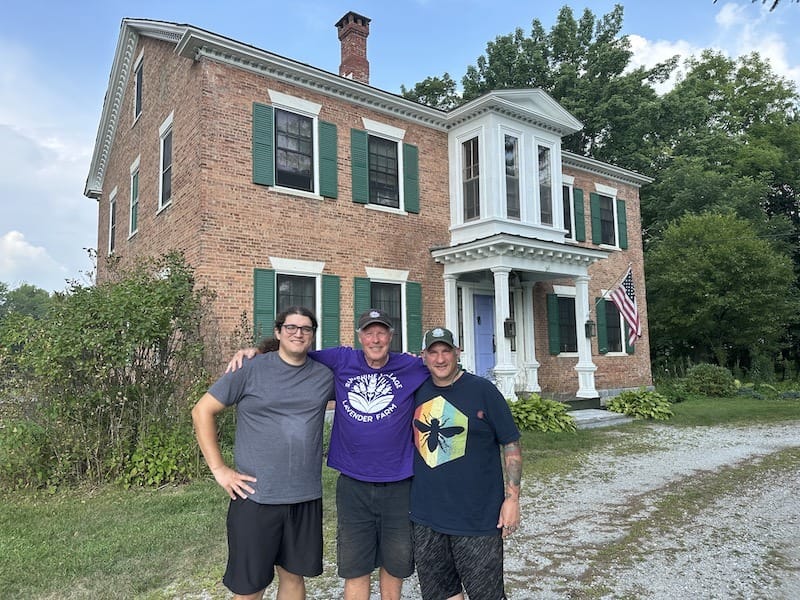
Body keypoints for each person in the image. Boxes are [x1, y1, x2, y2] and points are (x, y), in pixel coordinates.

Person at [229, 309, 430, 600]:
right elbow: (295, 352)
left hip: (400, 481)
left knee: (395, 563)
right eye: (369, 332)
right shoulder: (341, 359)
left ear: (391, 336)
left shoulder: (411, 366)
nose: (375, 339)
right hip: (352, 483)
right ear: (359, 336)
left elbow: (442, 368)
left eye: (382, 332)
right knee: (355, 565)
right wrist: (258, 351)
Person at [192, 306, 335, 600]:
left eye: (306, 329)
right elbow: (202, 411)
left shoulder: (324, 376)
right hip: (255, 497)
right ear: (278, 332)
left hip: (304, 497)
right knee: (250, 587)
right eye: (291, 327)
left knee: (293, 576)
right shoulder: (249, 369)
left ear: (312, 336)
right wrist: (219, 470)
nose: (298, 333)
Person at [411, 327, 522, 600]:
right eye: (433, 352)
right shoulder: (416, 390)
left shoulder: (482, 390)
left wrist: (513, 500)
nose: (440, 359)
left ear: (457, 352)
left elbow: (510, 443)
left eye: (446, 351)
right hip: (427, 517)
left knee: (487, 594)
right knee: (441, 593)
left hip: (477, 517)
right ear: (423, 356)